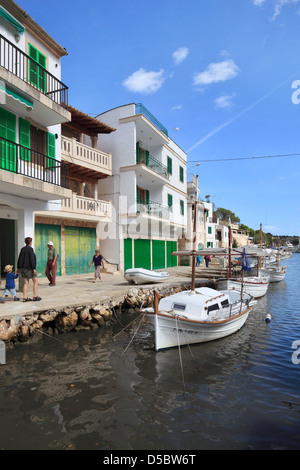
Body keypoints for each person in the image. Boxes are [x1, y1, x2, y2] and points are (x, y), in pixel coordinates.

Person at [17, 237, 41, 302]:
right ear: (30, 242)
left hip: (22, 268)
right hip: (29, 268)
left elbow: (19, 258)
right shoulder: (30, 249)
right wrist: (34, 268)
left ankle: (25, 298)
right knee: (35, 281)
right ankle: (34, 296)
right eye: (31, 241)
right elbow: (32, 259)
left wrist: (18, 268)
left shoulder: (22, 249)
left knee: (26, 282)